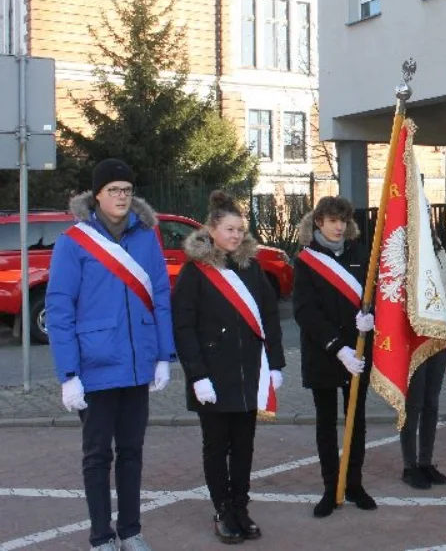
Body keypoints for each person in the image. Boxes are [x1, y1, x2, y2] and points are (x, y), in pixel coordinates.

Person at [47, 159, 174, 551]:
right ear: (97, 195)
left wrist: (163, 355)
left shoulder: (146, 237)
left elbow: (161, 298)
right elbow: (59, 308)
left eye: (127, 190)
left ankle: (131, 531)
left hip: (138, 366)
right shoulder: (74, 241)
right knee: (98, 456)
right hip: (95, 367)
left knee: (132, 453)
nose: (121, 197)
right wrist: (68, 373)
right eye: (113, 190)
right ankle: (101, 537)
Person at [172, 191, 286, 543]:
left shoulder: (252, 268)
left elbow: (269, 316)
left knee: (244, 445)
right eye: (229, 229)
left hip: (249, 373)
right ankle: (222, 510)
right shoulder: (195, 272)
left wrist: (276, 363)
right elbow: (183, 326)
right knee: (216, 446)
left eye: (240, 230)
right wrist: (197, 375)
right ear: (212, 230)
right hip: (213, 376)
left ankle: (241, 507)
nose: (235, 236)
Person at [292, 196, 377, 516]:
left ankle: (354, 484)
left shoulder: (359, 252)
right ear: (319, 222)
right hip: (325, 353)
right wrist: (337, 347)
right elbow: (305, 311)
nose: (339, 226)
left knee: (356, 420)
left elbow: (374, 293)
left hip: (358, 349)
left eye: (343, 220)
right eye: (332, 220)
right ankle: (332, 487)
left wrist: (371, 319)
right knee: (326, 423)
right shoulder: (306, 260)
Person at [398, 203, 446, 488]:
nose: (424, 218)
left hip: (438, 335)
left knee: (431, 404)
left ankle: (426, 462)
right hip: (412, 337)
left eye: (426, 213)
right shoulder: (400, 249)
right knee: (412, 405)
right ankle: (409, 465)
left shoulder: (438, 248)